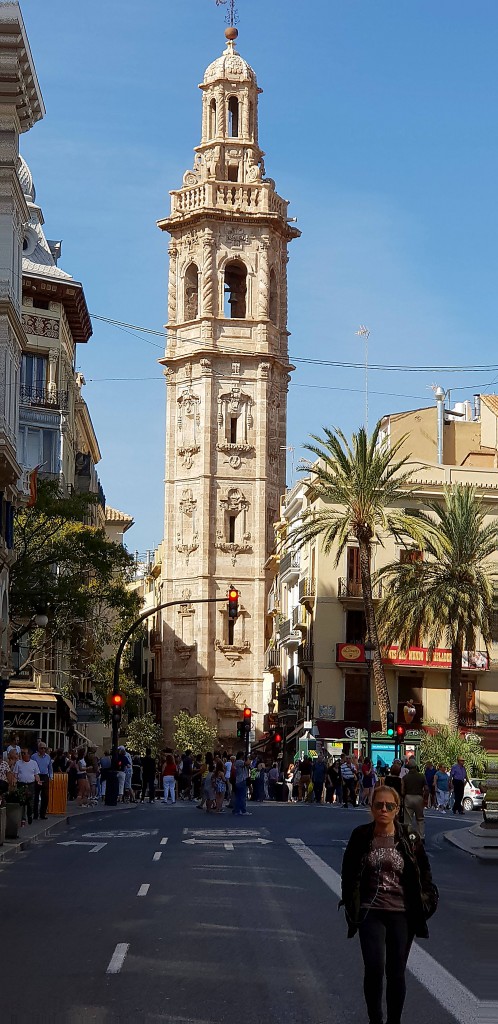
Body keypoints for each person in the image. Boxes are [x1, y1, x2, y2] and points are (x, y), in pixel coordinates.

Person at [341, 785, 437, 1024]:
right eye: (378, 805)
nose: (383, 809)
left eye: (389, 806)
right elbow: (349, 871)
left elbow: (424, 873)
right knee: (373, 968)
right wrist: (353, 905)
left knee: (395, 973)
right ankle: (376, 1020)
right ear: (371, 808)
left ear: (397, 809)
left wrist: (426, 901)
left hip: (402, 913)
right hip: (370, 912)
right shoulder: (361, 835)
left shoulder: (409, 836)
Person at [13, 748, 41, 825]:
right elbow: (15, 774)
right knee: (22, 801)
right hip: (21, 784)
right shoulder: (18, 763)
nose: (22, 755)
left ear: (29, 754)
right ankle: (23, 818)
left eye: (24, 753)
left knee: (30, 802)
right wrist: (14, 781)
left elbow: (36, 774)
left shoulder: (34, 763)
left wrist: (38, 781)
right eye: (22, 753)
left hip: (30, 784)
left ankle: (29, 815)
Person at [402, 758, 427, 841]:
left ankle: (408, 837)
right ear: (416, 767)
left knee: (408, 819)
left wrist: (403, 797)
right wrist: (425, 799)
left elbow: (402, 790)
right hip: (419, 798)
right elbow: (426, 789)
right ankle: (421, 836)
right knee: (420, 818)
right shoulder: (421, 776)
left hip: (408, 797)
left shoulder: (405, 777)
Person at [31, 741, 53, 820]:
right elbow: (32, 766)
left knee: (45, 796)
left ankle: (42, 814)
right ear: (38, 748)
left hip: (45, 776)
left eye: (44, 748)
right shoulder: (34, 756)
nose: (43, 750)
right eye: (41, 748)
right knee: (36, 796)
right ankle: (35, 814)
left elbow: (50, 767)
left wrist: (51, 777)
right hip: (37, 775)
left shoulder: (48, 757)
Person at [232, 751, 251, 815]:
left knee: (238, 796)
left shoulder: (236, 762)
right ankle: (243, 810)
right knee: (242, 796)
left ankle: (237, 810)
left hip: (237, 780)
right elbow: (248, 763)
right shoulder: (240, 762)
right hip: (242, 780)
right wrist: (248, 757)